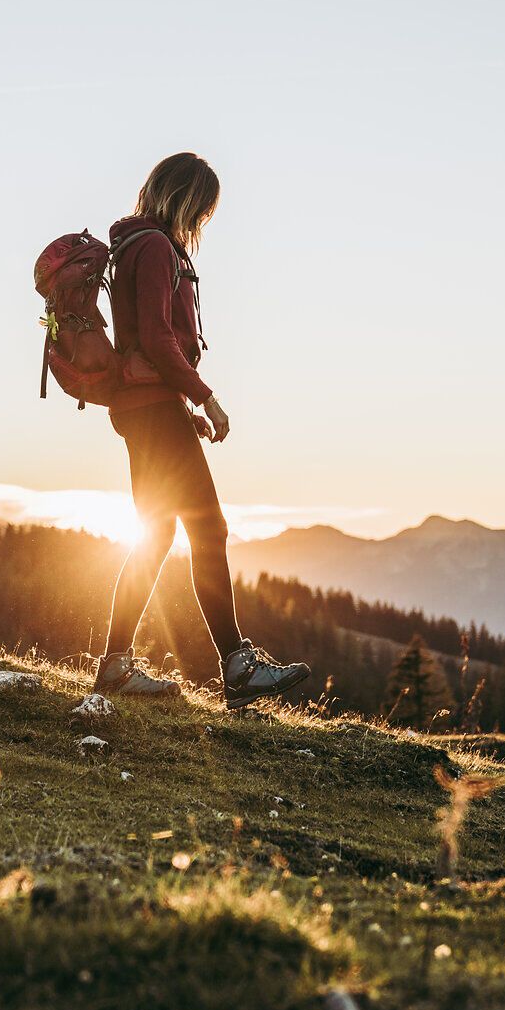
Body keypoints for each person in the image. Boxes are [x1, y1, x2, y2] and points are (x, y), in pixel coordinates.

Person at [92, 152, 310, 709]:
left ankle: (116, 666)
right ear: (187, 199)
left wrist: (175, 406)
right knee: (208, 531)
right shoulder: (157, 247)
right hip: (154, 408)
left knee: (159, 535)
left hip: (145, 408)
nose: (203, 222)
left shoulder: (132, 245)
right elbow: (160, 339)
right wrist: (206, 398)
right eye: (203, 210)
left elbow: (141, 344)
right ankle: (237, 667)